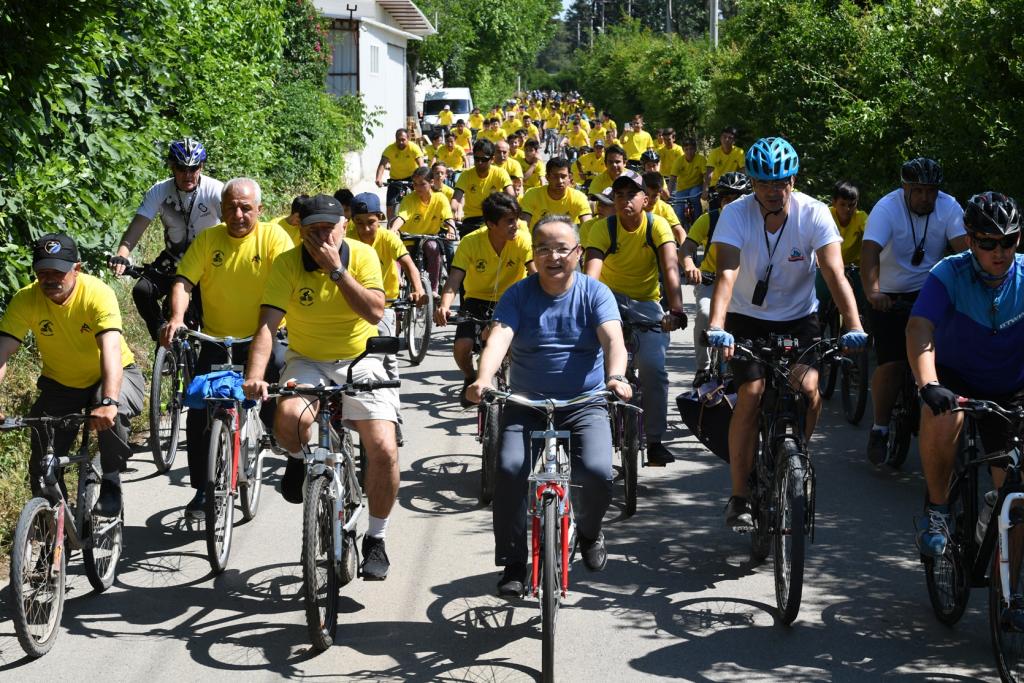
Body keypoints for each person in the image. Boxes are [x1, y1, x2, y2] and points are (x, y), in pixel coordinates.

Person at [704, 137, 868, 529]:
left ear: (793, 181)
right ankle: (739, 496)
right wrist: (717, 325)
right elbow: (726, 272)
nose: (773, 191)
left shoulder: (814, 213)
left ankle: (797, 460)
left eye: (781, 182)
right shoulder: (735, 214)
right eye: (764, 183)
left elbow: (834, 272)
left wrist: (854, 325)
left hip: (798, 318)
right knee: (751, 393)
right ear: (752, 184)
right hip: (745, 317)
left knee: (809, 389)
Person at [466, 216, 631, 596]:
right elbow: (499, 339)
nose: (553, 256)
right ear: (533, 254)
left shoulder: (595, 293)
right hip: (526, 403)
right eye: (543, 249)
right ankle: (513, 563)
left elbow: (613, 340)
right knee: (509, 469)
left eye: (562, 249)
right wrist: (483, 379)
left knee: (597, 471)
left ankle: (590, 531)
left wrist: (616, 376)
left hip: (584, 402)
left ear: (578, 252)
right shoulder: (517, 295)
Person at [242, 193, 400, 580]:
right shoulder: (287, 263)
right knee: (289, 418)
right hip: (308, 358)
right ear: (301, 231)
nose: (322, 238)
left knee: (383, 447)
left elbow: (375, 312)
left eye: (329, 230)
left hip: (361, 357)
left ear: (344, 228)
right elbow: (267, 325)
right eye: (313, 231)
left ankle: (376, 538)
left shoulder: (363, 256)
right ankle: (299, 460)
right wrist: (256, 374)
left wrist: (337, 271)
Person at [162, 178, 293, 516]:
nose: (238, 214)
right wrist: (177, 317)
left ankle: (274, 430)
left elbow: (290, 282)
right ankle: (203, 489)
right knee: (199, 411)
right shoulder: (208, 240)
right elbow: (183, 281)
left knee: (276, 384)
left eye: (246, 208)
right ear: (220, 210)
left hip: (264, 336)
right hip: (217, 340)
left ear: (259, 210)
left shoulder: (274, 238)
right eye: (231, 207)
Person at [907, 192, 1024, 557]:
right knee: (943, 417)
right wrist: (928, 384)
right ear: (971, 241)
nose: (999, 252)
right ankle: (938, 510)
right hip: (955, 379)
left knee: (1017, 501)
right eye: (988, 243)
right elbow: (919, 327)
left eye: (1009, 241)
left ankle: (1008, 590)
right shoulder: (949, 273)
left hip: (1011, 386)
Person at [0, 234, 145, 516]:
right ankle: (54, 523)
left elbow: (111, 349)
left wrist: (109, 402)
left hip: (114, 374)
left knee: (110, 407)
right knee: (42, 461)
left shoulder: (97, 293)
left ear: (76, 269)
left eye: (58, 272)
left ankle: (111, 479)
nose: (50, 279)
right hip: (63, 383)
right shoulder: (26, 299)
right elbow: (3, 350)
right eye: (43, 272)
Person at [861, 158, 967, 465]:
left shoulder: (948, 207)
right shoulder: (887, 208)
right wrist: (873, 292)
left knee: (945, 361)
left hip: (930, 292)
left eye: (931, 191)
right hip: (888, 295)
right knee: (893, 364)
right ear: (904, 188)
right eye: (918, 191)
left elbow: (966, 251)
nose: (925, 197)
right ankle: (880, 427)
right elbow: (870, 252)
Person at [583, 170, 686, 466]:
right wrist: (585, 309)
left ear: (646, 200)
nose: (625, 201)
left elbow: (670, 270)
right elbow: (591, 276)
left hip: (646, 303)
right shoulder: (603, 228)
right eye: (619, 195)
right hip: (608, 301)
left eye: (632, 195)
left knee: (653, 368)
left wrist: (676, 310)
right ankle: (588, 432)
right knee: (592, 364)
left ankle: (654, 441)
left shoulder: (657, 226)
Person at [109, 138, 224, 342]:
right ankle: (163, 337)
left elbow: (232, 226)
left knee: (208, 313)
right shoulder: (159, 190)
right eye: (181, 168)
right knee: (142, 290)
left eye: (193, 168)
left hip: (207, 259)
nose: (187, 174)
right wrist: (122, 255)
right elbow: (138, 226)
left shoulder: (215, 190)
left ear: (202, 166)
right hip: (173, 257)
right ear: (172, 166)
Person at [435, 193, 535, 407]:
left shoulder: (523, 240)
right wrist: (444, 305)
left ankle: (515, 386)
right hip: (476, 299)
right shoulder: (471, 242)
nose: (515, 225)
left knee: (513, 347)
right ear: (491, 224)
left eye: (516, 219)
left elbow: (535, 275)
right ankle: (471, 377)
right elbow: (454, 279)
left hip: (512, 299)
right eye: (509, 221)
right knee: (462, 346)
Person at [680, 172, 752, 382]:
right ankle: (702, 368)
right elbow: (686, 248)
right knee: (704, 314)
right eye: (726, 198)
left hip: (745, 283)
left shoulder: (756, 221)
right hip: (711, 280)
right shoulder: (709, 219)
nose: (730, 203)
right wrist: (690, 265)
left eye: (737, 198)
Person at [349, 193, 424, 384]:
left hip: (385, 304)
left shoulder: (388, 238)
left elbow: (409, 265)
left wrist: (418, 289)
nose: (365, 229)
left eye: (371, 222)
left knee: (388, 357)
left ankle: (392, 398)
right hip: (353, 304)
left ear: (380, 218)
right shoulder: (346, 239)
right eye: (359, 223)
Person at [391, 167, 457, 294]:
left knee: (433, 248)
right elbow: (402, 217)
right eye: (415, 184)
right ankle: (398, 287)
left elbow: (448, 218)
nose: (417, 188)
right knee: (401, 257)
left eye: (422, 184)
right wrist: (394, 229)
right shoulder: (409, 199)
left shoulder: (440, 198)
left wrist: (451, 231)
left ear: (432, 182)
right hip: (409, 238)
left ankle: (433, 290)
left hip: (429, 237)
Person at [814, 180, 868, 312]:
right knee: (820, 300)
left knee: (861, 302)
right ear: (834, 202)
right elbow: (814, 237)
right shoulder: (826, 214)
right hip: (828, 265)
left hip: (853, 268)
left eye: (852, 205)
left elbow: (872, 238)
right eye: (842, 204)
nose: (847, 209)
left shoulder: (861, 217)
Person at [451, 139, 513, 236]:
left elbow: (511, 196)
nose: (479, 162)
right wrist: (450, 213)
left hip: (493, 217)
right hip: (471, 220)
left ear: (492, 159)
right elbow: (456, 199)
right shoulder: (465, 175)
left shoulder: (500, 173)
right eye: (476, 158)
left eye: (484, 159)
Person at [519, 158, 592, 230]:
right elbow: (522, 226)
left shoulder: (579, 197)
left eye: (563, 176)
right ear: (547, 177)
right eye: (555, 176)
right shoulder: (532, 194)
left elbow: (588, 227)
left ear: (570, 177)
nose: (560, 181)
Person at [375, 128, 427, 222]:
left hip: (411, 179)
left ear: (408, 138)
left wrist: (422, 179)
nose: (401, 142)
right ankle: (390, 225)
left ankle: (421, 218)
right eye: (398, 140)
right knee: (390, 204)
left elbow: (421, 165)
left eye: (403, 140)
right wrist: (378, 178)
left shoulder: (413, 147)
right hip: (395, 179)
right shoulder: (390, 149)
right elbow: (382, 164)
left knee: (420, 198)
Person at [642, 171, 683, 243]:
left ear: (660, 193)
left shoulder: (665, 208)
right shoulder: (635, 207)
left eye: (654, 196)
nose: (650, 199)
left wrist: (684, 246)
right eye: (646, 195)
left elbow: (678, 230)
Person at [705, 127, 744, 193]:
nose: (726, 140)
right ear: (720, 138)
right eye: (724, 137)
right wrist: (705, 189)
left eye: (730, 138)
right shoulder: (714, 152)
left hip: (732, 185)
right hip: (716, 185)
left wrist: (739, 184)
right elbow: (709, 172)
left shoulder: (739, 152)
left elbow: (743, 170)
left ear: (734, 141)